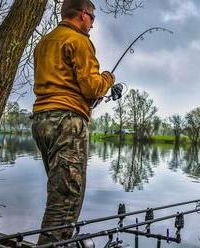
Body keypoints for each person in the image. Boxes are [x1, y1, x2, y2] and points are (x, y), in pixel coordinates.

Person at [31, 0, 120, 244]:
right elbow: (92, 87)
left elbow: (65, 84)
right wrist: (107, 79)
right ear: (82, 15)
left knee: (58, 191)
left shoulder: (44, 42)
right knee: (66, 198)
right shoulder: (79, 40)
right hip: (67, 123)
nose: (92, 24)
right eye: (92, 18)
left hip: (42, 120)